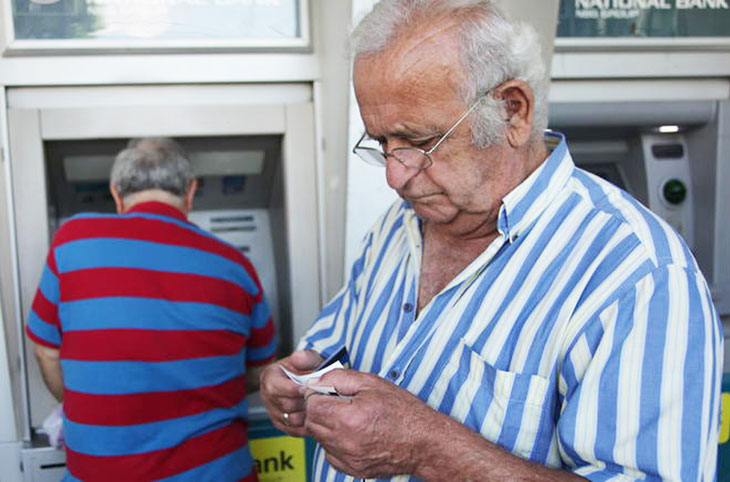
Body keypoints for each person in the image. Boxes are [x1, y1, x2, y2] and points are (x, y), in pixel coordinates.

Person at [259, 1, 723, 480]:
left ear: (512, 112)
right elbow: (332, 347)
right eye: (382, 144)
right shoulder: (397, 226)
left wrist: (427, 448)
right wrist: (297, 378)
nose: (395, 177)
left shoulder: (638, 276)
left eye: (419, 143)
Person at [27, 137, 276, 481]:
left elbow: (45, 353)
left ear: (116, 194)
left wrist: (93, 406)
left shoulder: (73, 241)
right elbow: (260, 370)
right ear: (190, 192)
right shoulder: (236, 265)